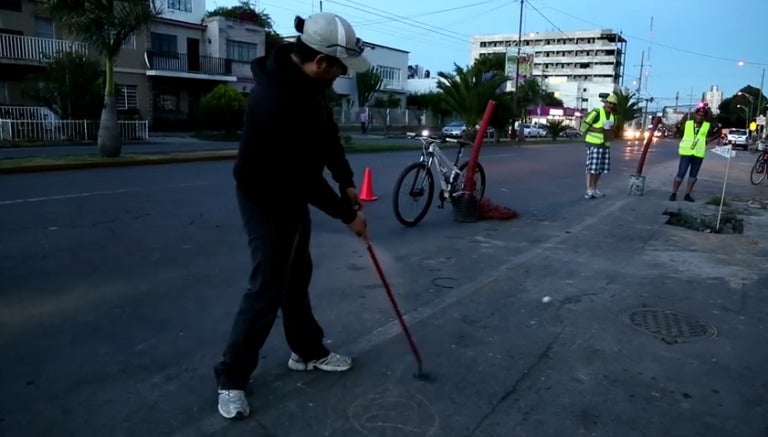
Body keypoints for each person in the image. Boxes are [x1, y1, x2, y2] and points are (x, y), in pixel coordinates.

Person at [214, 12, 372, 420]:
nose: (340, 75)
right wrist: (346, 215)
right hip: (264, 196)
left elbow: (326, 136)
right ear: (320, 61)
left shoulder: (309, 84)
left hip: (291, 191)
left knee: (297, 275)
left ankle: (306, 352)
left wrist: (346, 180)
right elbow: (303, 178)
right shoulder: (275, 101)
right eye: (338, 68)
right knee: (267, 286)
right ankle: (231, 379)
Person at [669, 103, 720, 202]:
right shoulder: (688, 124)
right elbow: (677, 130)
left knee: (693, 176)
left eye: (702, 115)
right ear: (695, 115)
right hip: (686, 153)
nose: (700, 117)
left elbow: (719, 132)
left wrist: (710, 140)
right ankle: (674, 193)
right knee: (681, 173)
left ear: (704, 117)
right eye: (698, 115)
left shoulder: (707, 126)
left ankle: (687, 194)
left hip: (698, 154)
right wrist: (668, 127)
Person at [579, 93, 618, 199]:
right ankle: (588, 190)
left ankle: (594, 189)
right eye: (609, 103)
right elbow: (583, 127)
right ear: (605, 102)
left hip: (605, 144)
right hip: (593, 143)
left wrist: (613, 130)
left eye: (613, 104)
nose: (611, 105)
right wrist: (598, 130)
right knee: (592, 167)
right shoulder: (596, 112)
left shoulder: (613, 116)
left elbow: (615, 130)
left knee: (600, 168)